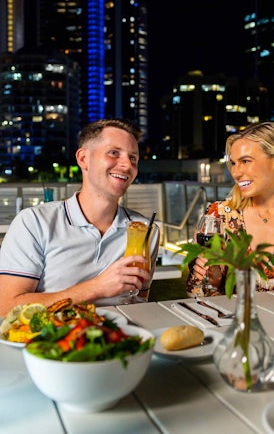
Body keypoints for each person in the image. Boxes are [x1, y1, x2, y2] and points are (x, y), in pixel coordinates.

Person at [0, 118, 159, 316]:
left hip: (121, 340)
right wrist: (96, 288)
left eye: (133, 158)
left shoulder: (145, 229)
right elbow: (7, 306)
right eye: (114, 153)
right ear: (83, 158)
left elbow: (140, 299)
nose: (127, 165)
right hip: (51, 343)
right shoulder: (34, 222)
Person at [186, 121, 274, 296]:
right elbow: (197, 293)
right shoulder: (219, 215)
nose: (236, 173)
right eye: (233, 163)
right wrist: (215, 280)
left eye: (245, 161)